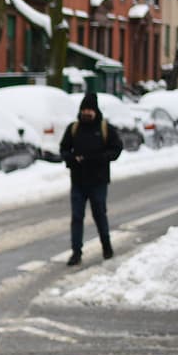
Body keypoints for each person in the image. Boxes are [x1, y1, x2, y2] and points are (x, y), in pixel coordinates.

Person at [59, 92, 124, 266]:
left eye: (89, 110)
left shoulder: (104, 128)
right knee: (77, 217)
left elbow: (116, 148)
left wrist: (101, 158)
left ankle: (106, 247)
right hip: (78, 181)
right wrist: (72, 159)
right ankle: (76, 252)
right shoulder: (73, 129)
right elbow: (64, 149)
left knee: (99, 215)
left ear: (95, 111)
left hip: (98, 180)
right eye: (84, 110)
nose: (86, 113)